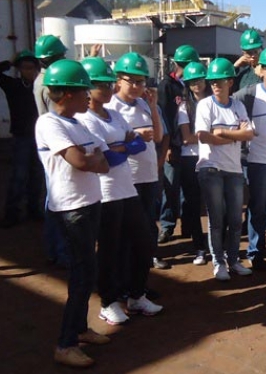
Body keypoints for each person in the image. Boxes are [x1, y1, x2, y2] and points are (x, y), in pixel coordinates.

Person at [34, 59, 110, 368]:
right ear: (65, 95)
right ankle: (65, 343)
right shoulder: (49, 124)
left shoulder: (78, 123)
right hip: (71, 208)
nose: (87, 96)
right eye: (82, 92)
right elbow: (81, 161)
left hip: (90, 202)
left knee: (87, 271)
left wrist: (90, 158)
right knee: (81, 275)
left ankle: (80, 330)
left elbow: (103, 161)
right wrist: (90, 158)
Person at [77, 57, 162, 327]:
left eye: (106, 82)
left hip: (128, 190)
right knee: (111, 250)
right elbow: (107, 159)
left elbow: (134, 146)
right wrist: (125, 146)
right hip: (107, 193)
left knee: (143, 242)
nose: (104, 88)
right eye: (98, 84)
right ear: (87, 88)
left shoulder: (112, 116)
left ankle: (136, 295)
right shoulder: (86, 120)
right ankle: (108, 302)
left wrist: (122, 147)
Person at [104, 52, 168, 270]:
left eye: (141, 81)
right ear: (118, 80)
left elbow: (158, 137)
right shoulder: (110, 107)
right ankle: (125, 274)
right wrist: (137, 135)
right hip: (125, 177)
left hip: (148, 174)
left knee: (148, 222)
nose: (136, 86)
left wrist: (153, 107)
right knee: (126, 228)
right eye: (131, 80)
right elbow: (108, 142)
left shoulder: (145, 104)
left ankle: (148, 260)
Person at [195, 58, 255, 281]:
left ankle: (233, 260)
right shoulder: (205, 105)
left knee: (235, 219)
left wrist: (222, 133)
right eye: (212, 81)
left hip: (234, 169)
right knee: (217, 219)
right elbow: (203, 136)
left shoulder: (238, 105)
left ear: (230, 81)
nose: (216, 85)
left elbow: (249, 134)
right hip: (211, 168)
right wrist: (233, 136)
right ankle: (218, 262)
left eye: (220, 81)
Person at [233, 46, 266, 270]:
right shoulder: (249, 94)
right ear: (259, 70)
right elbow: (229, 104)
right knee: (258, 208)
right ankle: (256, 252)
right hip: (258, 161)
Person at [0, 50, 43, 227]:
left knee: (36, 175)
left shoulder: (41, 86)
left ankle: (34, 209)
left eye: (31, 67)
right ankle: (12, 212)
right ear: (19, 69)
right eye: (24, 67)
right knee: (18, 176)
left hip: (40, 137)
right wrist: (11, 62)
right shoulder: (13, 85)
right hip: (21, 137)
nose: (28, 71)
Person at [33, 35, 71, 266]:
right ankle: (61, 251)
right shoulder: (50, 84)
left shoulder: (41, 80)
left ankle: (55, 250)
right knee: (60, 201)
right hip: (57, 143)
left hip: (51, 143)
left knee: (54, 199)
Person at [157, 45, 200, 243]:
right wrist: (166, 147)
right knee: (171, 188)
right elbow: (164, 115)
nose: (184, 69)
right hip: (174, 145)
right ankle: (167, 225)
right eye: (182, 65)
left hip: (192, 148)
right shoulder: (167, 85)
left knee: (189, 191)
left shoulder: (194, 84)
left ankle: (188, 226)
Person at [175, 62, 212, 265]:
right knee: (194, 204)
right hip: (190, 158)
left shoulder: (214, 102)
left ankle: (217, 247)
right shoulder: (184, 106)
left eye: (199, 80)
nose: (196, 85)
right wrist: (213, 135)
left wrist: (211, 137)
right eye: (192, 82)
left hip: (212, 155)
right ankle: (199, 247)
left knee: (215, 203)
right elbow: (187, 137)